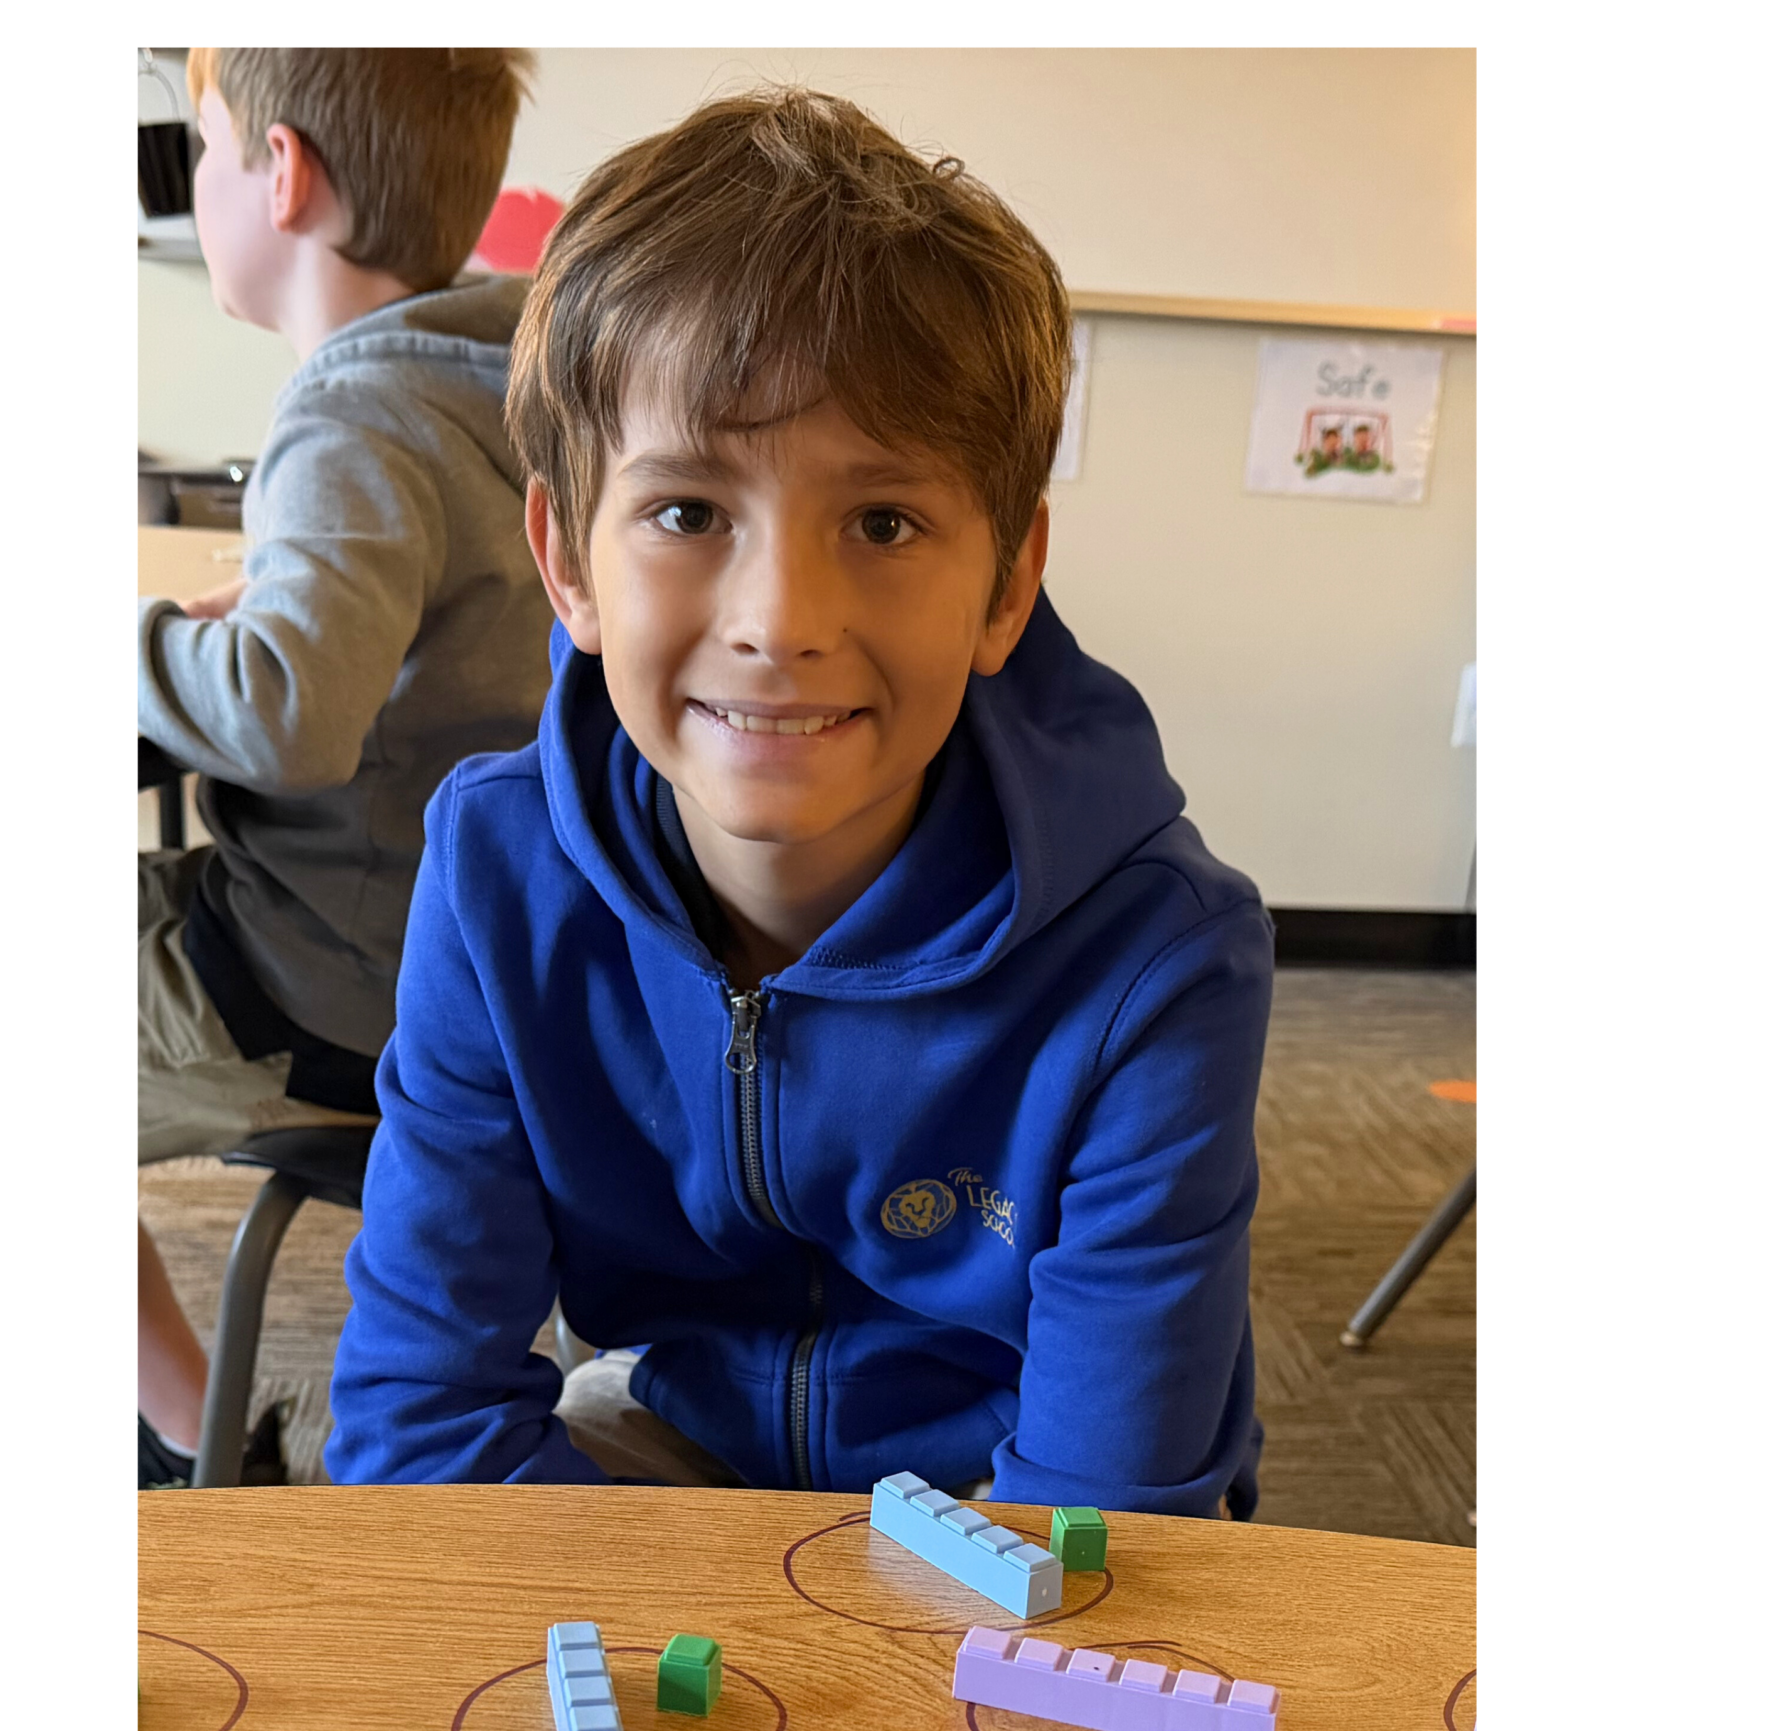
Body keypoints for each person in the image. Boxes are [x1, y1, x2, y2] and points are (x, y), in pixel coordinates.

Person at [325, 87, 1274, 1515]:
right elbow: (415, 1429)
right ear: (568, 561)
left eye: (883, 522)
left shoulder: (1160, 962)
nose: (782, 617)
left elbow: (1107, 1531)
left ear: (1008, 581)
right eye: (688, 512)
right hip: (673, 1439)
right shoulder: (498, 871)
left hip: (1000, 1488)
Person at [138, 48, 554, 1486]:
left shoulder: (353, 409)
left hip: (322, 989)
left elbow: (289, 722)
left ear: (285, 173)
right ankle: (185, 1419)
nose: (194, 185)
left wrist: (129, 643)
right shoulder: (506, 385)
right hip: (462, 976)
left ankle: (193, 1433)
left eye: (204, 146)